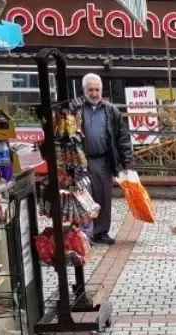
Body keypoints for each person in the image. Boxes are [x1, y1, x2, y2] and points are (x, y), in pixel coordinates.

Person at [75, 73, 132, 245]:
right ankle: (84, 233)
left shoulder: (111, 110)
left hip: (102, 160)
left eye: (97, 90)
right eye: (90, 90)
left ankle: (101, 232)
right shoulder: (76, 109)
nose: (94, 94)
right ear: (84, 90)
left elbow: (123, 137)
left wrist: (126, 163)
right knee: (82, 198)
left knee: (103, 197)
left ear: (102, 90)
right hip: (81, 160)